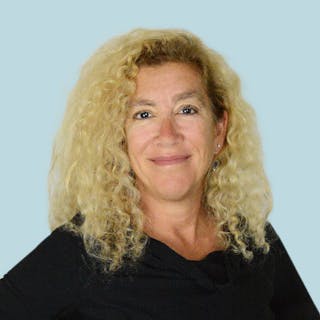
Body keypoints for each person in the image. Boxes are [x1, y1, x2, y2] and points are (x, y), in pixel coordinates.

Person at [0, 28, 318, 319]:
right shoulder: (83, 251)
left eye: (187, 110)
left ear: (219, 129)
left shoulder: (254, 241)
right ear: (118, 138)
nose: (167, 134)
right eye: (144, 114)